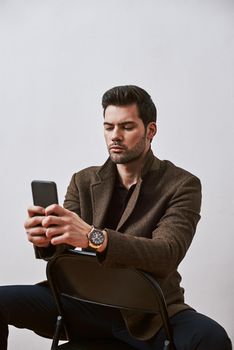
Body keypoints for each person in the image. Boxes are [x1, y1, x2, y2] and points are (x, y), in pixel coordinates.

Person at [0, 85, 232, 350]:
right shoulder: (84, 180)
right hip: (82, 303)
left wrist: (93, 237)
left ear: (150, 131)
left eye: (127, 127)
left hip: (147, 311)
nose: (115, 136)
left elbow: (166, 253)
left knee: (212, 338)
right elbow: (61, 249)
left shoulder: (182, 185)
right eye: (109, 127)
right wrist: (46, 237)